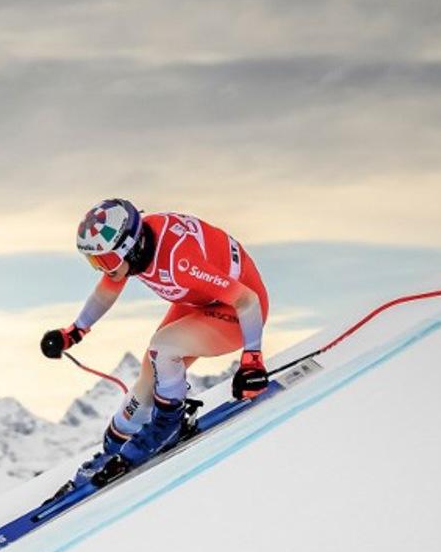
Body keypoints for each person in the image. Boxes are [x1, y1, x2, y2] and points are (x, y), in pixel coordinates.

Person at [41, 198, 270, 480]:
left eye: (107, 260)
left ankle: (168, 424)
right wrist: (75, 331)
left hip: (239, 311)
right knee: (150, 373)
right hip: (199, 301)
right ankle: (116, 442)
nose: (103, 268)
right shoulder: (133, 249)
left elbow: (247, 299)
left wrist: (252, 361)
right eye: (95, 261)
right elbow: (107, 289)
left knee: (165, 347)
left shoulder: (179, 262)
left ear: (129, 247)